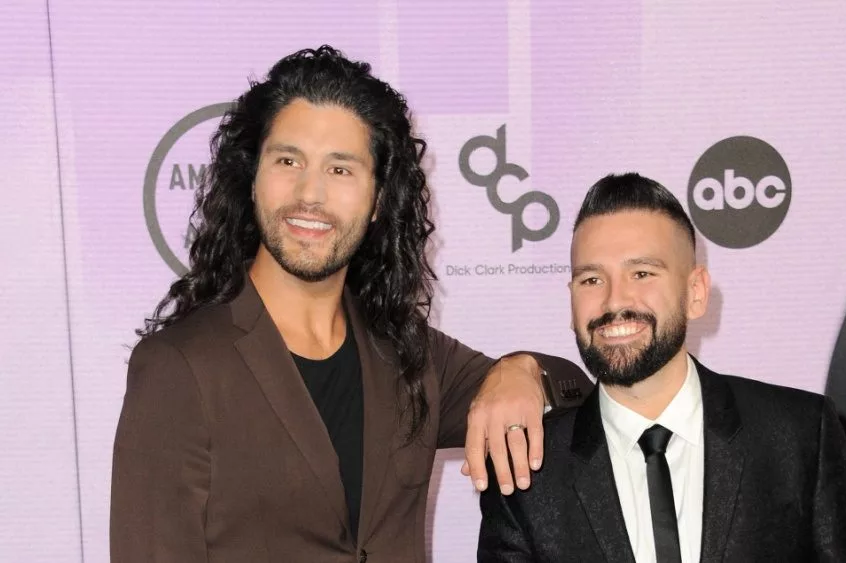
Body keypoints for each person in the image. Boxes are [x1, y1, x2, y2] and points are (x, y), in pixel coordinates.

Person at [110, 45, 588, 563]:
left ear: (379, 200)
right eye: (288, 160)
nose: (309, 193)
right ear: (251, 180)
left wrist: (521, 369)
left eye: (340, 170)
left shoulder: (407, 353)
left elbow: (576, 395)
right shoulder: (179, 368)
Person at [478, 173, 846, 562]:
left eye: (642, 273)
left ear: (695, 292)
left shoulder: (798, 437)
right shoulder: (526, 473)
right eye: (591, 280)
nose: (614, 301)